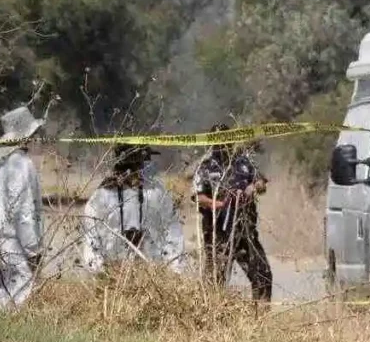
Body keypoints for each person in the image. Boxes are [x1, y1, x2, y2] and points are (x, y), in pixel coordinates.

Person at [192, 123, 272, 302]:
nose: (223, 145)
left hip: (245, 232)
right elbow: (199, 197)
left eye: (226, 139)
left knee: (263, 275)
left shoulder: (243, 162)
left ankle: (261, 322)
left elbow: (262, 183)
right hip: (217, 233)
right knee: (215, 281)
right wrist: (221, 204)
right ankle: (213, 320)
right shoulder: (205, 167)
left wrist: (253, 187)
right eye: (218, 141)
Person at [0, 106, 46, 309]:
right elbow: (24, 211)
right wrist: (33, 251)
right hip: (16, 249)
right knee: (17, 308)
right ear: (26, 136)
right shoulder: (21, 164)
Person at [80, 144, 186, 274]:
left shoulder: (156, 191)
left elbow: (172, 229)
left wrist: (174, 268)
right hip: (114, 270)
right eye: (140, 164)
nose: (142, 169)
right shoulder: (103, 196)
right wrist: (100, 272)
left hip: (151, 271)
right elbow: (91, 238)